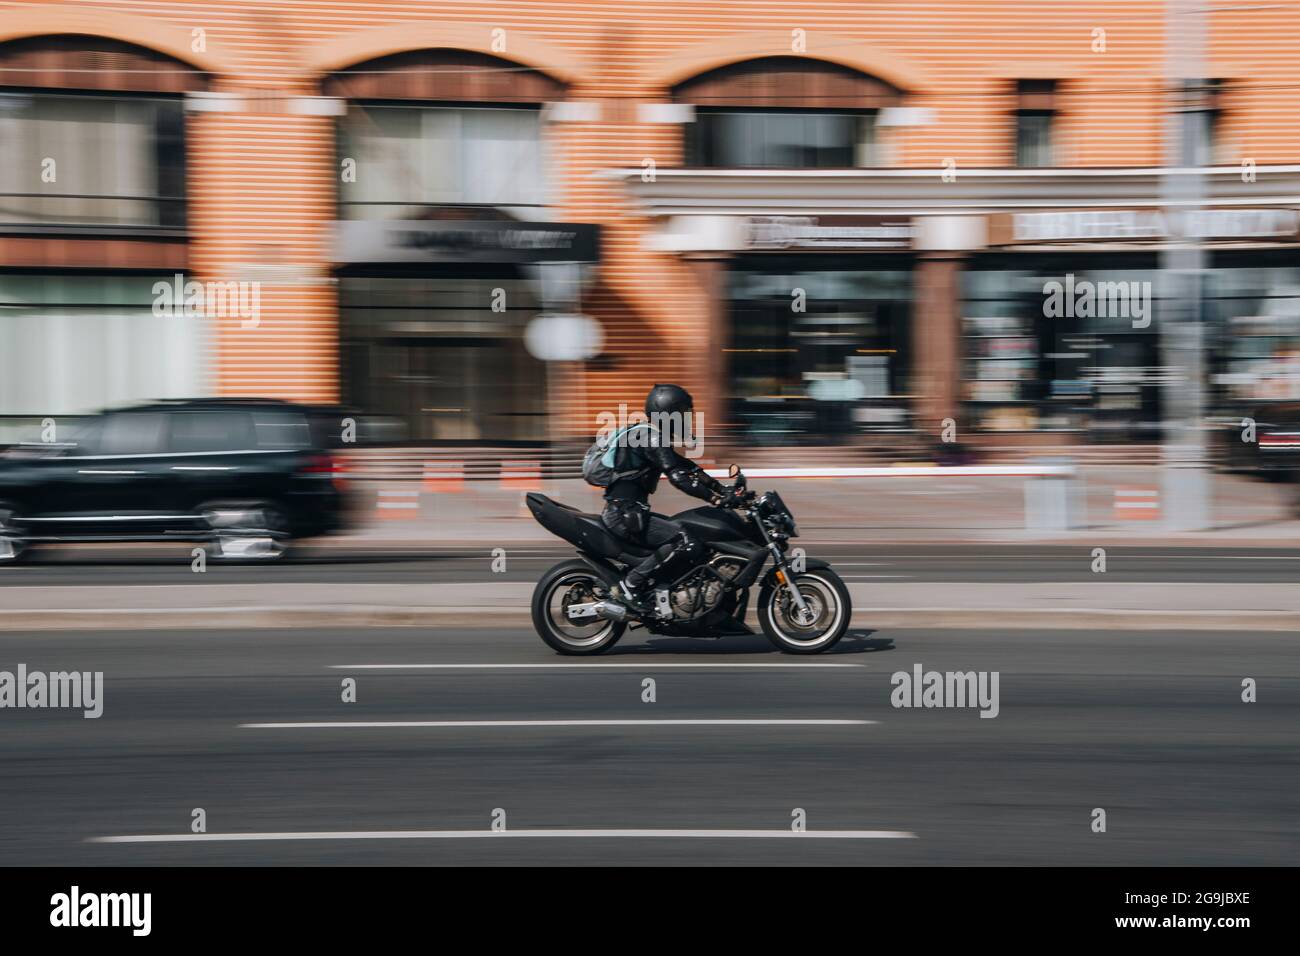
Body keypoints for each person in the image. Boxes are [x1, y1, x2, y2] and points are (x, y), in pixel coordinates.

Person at [601, 384, 743, 615]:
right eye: (683, 414)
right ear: (668, 414)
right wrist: (714, 499)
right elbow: (678, 477)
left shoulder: (650, 435)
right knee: (685, 540)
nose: (687, 419)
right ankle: (631, 586)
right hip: (624, 516)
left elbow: (687, 468)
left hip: (630, 513)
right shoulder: (650, 437)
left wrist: (722, 489)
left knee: (682, 532)